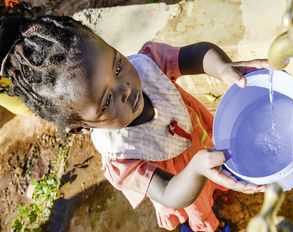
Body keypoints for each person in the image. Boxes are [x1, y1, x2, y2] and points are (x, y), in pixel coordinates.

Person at [0, 10, 268, 232]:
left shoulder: (148, 63)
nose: (125, 88)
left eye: (117, 66)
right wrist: (196, 169)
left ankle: (217, 190)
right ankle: (205, 224)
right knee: (199, 204)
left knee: (217, 178)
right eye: (107, 101)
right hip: (185, 185)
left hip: (201, 143)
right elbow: (170, 192)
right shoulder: (121, 158)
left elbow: (196, 54)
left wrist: (222, 67)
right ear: (81, 127)